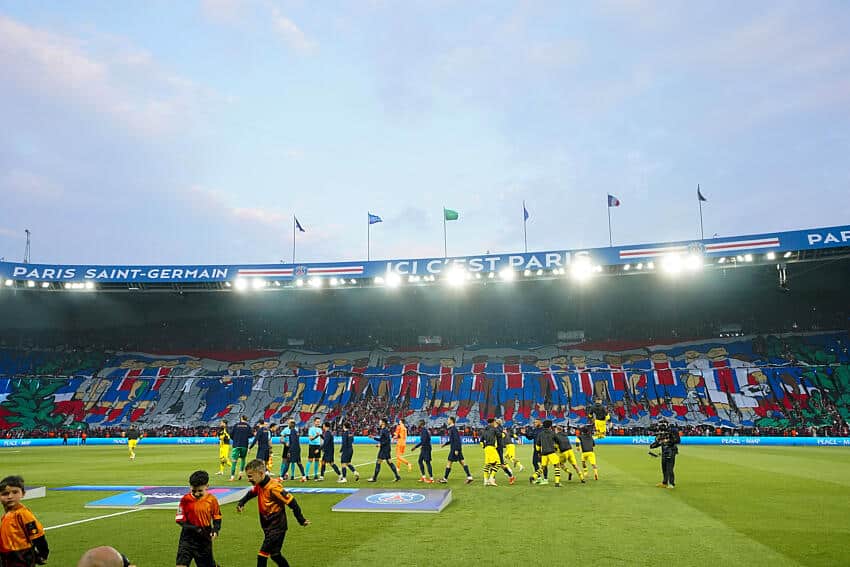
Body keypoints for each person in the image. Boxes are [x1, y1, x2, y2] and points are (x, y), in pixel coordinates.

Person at [236, 459, 310, 567]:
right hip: (268, 526)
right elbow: (251, 493)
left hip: (277, 527)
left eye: (250, 476)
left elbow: (292, 502)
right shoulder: (260, 484)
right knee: (275, 554)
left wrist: (301, 520)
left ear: (261, 474)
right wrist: (241, 502)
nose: (249, 479)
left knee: (262, 555)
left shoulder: (274, 487)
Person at [175, 470, 222, 567]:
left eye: (200, 491)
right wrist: (195, 528)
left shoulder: (212, 500)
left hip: (204, 538)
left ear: (207, 486)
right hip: (187, 537)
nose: (196, 494)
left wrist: (216, 529)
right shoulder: (185, 500)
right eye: (193, 491)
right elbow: (179, 520)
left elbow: (217, 516)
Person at [0, 475, 49, 566]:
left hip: (21, 557)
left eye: (15, 492)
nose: (10, 496)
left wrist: (43, 554)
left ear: (23, 494)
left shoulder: (23, 514)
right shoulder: (7, 515)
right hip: (7, 556)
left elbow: (38, 536)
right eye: (5, 494)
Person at [438, 416, 473, 484]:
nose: (447, 421)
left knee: (449, 462)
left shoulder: (453, 429)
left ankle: (445, 479)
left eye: (448, 420)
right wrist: (445, 444)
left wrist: (456, 449)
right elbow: (452, 440)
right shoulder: (452, 429)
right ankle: (469, 477)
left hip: (454, 449)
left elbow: (457, 440)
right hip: (456, 448)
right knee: (462, 462)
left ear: (451, 421)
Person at [529, 420, 561, 486]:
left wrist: (538, 452)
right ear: (550, 426)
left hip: (543, 453)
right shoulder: (552, 433)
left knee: (543, 467)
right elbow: (558, 441)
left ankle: (534, 476)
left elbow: (537, 445)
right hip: (551, 452)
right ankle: (557, 482)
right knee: (557, 466)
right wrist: (556, 448)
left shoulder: (541, 434)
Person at [651, 421, 680, 488]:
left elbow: (677, 440)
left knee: (669, 468)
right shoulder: (661, 433)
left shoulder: (673, 431)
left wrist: (668, 441)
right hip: (664, 451)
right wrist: (654, 445)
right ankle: (665, 482)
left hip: (671, 450)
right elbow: (659, 442)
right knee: (664, 468)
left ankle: (671, 483)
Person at [229, 415, 252, 481]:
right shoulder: (248, 426)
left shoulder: (236, 425)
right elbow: (251, 435)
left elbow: (231, 435)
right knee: (243, 459)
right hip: (244, 445)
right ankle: (241, 472)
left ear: (241, 418)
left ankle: (232, 477)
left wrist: (235, 439)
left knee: (234, 461)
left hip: (236, 445)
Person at [493, 418, 516, 484]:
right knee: (495, 463)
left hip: (498, 448)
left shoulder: (498, 429)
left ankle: (511, 476)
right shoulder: (500, 429)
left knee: (500, 464)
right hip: (497, 448)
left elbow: (500, 436)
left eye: (495, 423)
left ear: (497, 423)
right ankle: (492, 479)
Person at [480, 418, 501, 486]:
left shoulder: (484, 430)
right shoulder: (494, 428)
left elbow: (481, 441)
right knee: (498, 463)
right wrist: (504, 433)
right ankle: (491, 479)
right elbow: (499, 435)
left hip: (486, 448)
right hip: (492, 448)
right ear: (492, 422)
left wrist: (484, 447)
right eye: (494, 422)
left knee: (488, 464)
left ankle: (485, 480)